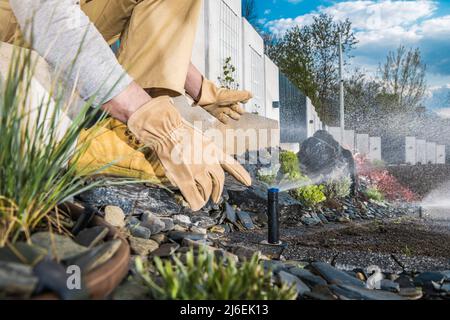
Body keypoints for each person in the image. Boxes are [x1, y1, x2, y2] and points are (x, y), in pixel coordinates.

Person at [0, 0, 253, 211]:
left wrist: (203, 91)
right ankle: (88, 144)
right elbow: (46, 12)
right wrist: (158, 124)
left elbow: (151, 28)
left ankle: (122, 130)